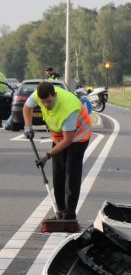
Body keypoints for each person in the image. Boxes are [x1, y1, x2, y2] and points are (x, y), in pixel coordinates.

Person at [23, 81, 92, 220]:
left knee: (71, 174)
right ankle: (60, 212)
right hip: (60, 137)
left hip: (78, 137)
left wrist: (47, 155)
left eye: (48, 101)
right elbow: (26, 107)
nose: (46, 105)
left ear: (54, 95)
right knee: (58, 174)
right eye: (43, 102)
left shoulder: (69, 108)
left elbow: (68, 140)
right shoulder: (38, 95)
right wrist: (28, 126)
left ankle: (70, 215)